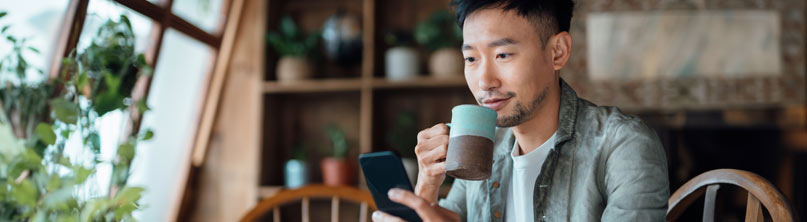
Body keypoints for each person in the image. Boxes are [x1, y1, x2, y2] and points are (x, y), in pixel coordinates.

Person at [372, 0, 670, 221]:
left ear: (558, 52)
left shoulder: (623, 145)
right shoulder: (484, 144)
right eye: (471, 59)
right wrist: (427, 187)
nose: (485, 81)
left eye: (503, 54)